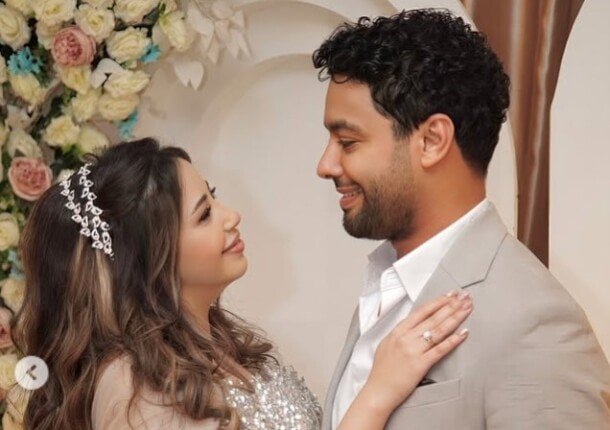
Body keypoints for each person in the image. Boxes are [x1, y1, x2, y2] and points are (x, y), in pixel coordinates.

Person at [10, 138, 472, 430]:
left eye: (214, 198)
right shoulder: (137, 385)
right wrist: (378, 394)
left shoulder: (224, 346)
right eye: (204, 214)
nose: (232, 216)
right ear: (149, 260)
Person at [312, 9, 610, 430]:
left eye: (347, 142)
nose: (325, 165)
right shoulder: (389, 282)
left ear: (432, 140)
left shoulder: (533, 324)